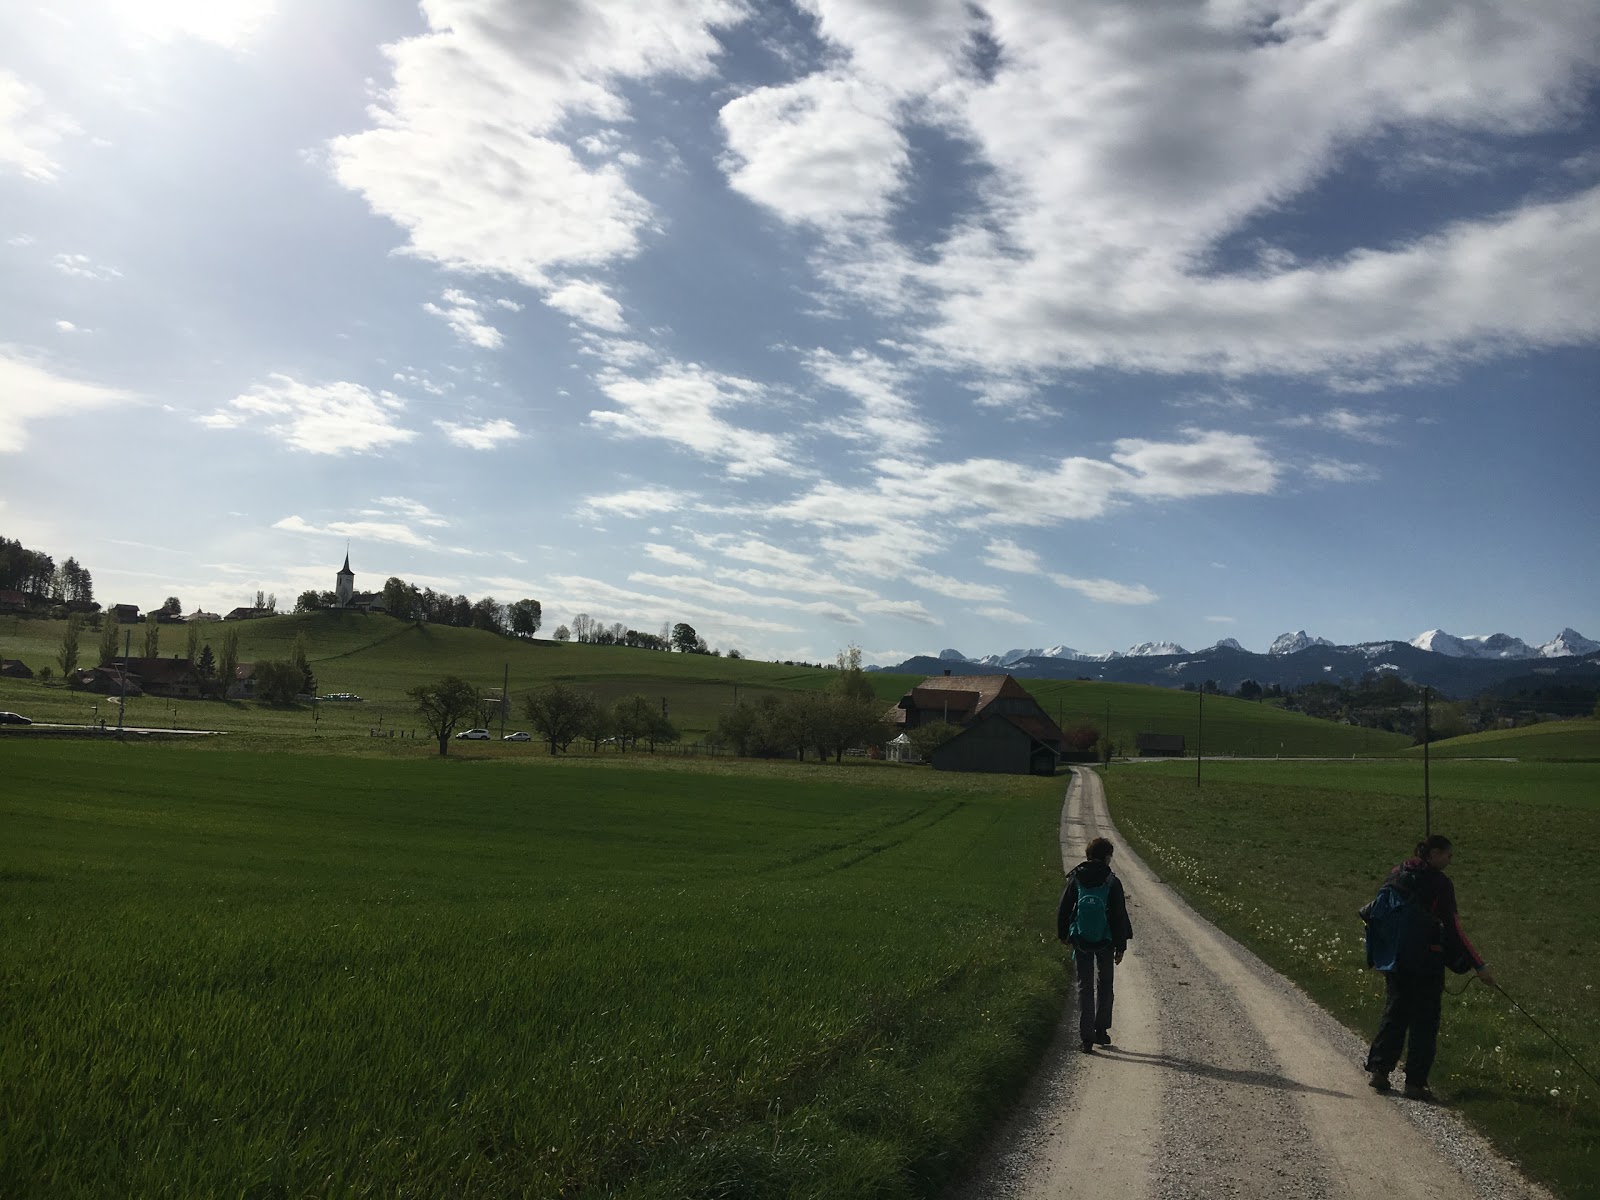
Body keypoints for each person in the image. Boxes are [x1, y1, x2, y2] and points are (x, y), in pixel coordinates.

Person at [1363, 834, 1495, 1101]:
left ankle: (1379, 1070)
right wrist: (1479, 966)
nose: (1450, 860)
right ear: (1433, 854)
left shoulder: (1397, 873)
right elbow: (1454, 929)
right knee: (1424, 1021)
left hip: (1396, 958)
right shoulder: (1441, 883)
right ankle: (1415, 1083)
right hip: (1427, 961)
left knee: (1395, 1013)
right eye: (1447, 855)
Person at [1057, 836, 1133, 1053]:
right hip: (1106, 941)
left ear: (1089, 854)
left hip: (1081, 939)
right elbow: (1118, 916)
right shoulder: (1112, 881)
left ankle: (1086, 1038)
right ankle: (1101, 1031)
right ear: (1106, 856)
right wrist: (1121, 946)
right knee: (1105, 984)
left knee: (1085, 986)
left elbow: (1064, 908)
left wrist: (1063, 934)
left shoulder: (1076, 877)